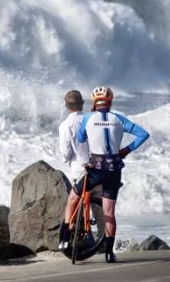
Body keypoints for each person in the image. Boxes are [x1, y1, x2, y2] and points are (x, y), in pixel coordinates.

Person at [60, 86, 150, 263]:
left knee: (72, 199)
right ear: (110, 101)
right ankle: (109, 253)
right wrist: (125, 150)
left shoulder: (87, 118)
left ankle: (66, 236)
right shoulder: (119, 118)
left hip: (96, 169)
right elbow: (143, 134)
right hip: (114, 170)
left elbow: (80, 140)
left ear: (94, 102)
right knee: (109, 212)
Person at [59, 90, 89, 182]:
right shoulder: (93, 119)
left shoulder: (65, 125)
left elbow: (66, 152)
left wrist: (66, 159)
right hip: (100, 167)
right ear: (82, 103)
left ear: (66, 106)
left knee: (78, 196)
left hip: (79, 170)